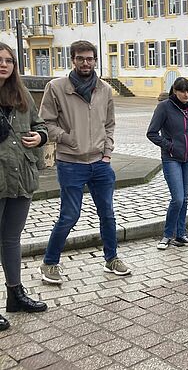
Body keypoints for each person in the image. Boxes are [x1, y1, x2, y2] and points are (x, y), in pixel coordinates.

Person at [39, 40, 131, 284]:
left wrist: (107, 151)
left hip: (100, 163)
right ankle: (49, 263)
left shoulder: (104, 89)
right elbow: (45, 122)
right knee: (70, 216)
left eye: (90, 58)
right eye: (81, 58)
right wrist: (68, 139)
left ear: (95, 60)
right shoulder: (56, 87)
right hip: (70, 163)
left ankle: (112, 259)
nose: (86, 62)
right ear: (73, 60)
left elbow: (109, 124)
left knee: (108, 214)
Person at [0, 43, 48, 330]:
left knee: (11, 238)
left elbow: (40, 125)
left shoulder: (22, 94)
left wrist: (40, 138)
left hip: (21, 176)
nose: (3, 64)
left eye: (9, 60)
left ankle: (15, 294)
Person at [147, 77, 188, 250]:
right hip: (171, 159)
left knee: (184, 198)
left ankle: (180, 235)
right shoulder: (164, 107)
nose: (186, 94)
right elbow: (152, 133)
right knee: (177, 199)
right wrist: (169, 145)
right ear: (175, 91)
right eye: (182, 91)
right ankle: (166, 235)